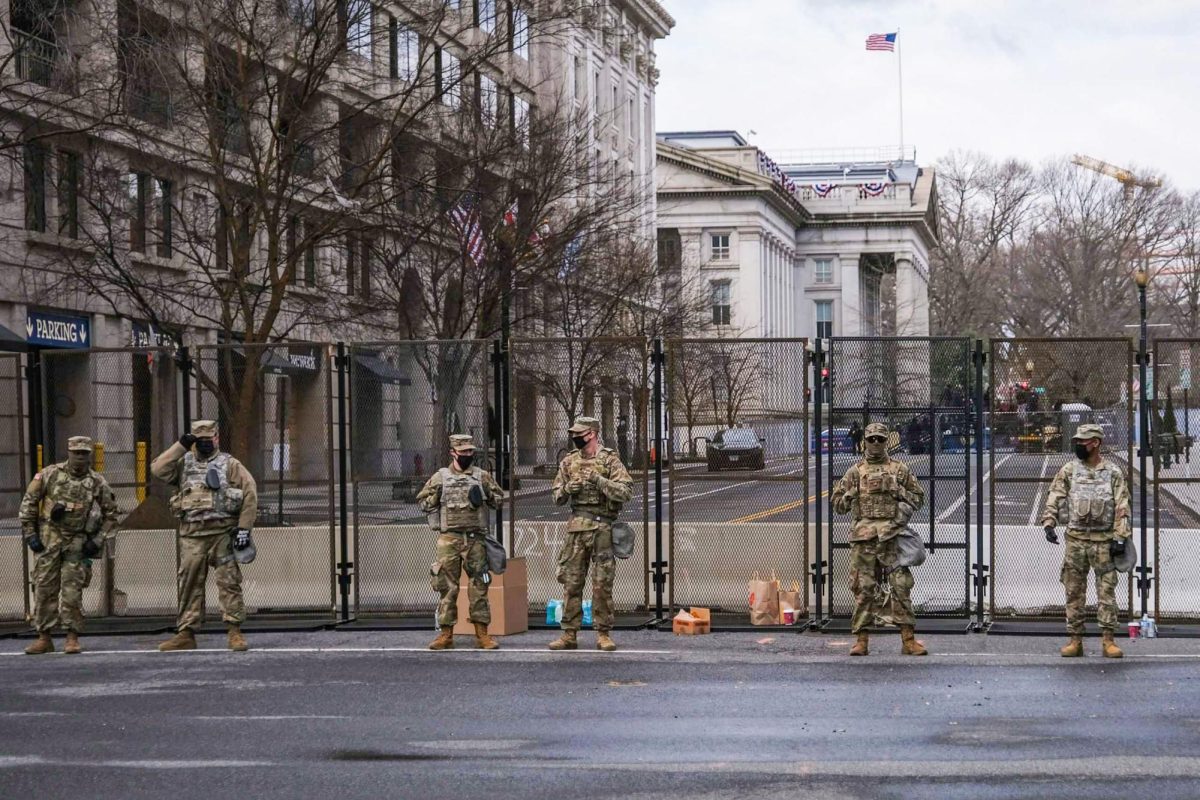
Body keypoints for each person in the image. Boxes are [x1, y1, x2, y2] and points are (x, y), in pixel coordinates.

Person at [152, 420, 258, 652]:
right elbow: (158, 469)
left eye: (209, 440)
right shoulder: (183, 463)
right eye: (200, 441)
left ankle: (234, 632)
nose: (205, 444)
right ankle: (186, 633)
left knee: (229, 582)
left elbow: (250, 494)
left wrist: (243, 529)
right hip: (192, 535)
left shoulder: (229, 464)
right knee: (189, 584)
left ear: (217, 438)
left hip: (222, 534)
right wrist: (180, 446)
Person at [831, 421, 927, 656]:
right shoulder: (854, 472)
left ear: (886, 442)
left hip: (891, 537)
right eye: (871, 439)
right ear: (865, 441)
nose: (875, 443)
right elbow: (837, 505)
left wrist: (896, 489)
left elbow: (919, 499)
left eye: (880, 439)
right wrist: (851, 495)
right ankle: (862, 640)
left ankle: (908, 640)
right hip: (863, 539)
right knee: (863, 588)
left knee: (901, 586)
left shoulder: (899, 470)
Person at [19, 436, 121, 655]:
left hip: (77, 542)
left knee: (72, 590)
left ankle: (72, 637)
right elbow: (28, 503)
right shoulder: (49, 474)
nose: (80, 458)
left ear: (89, 455)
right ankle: (44, 636)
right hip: (49, 539)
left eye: (84, 453)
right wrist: (30, 534)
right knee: (44, 586)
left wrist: (98, 539)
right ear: (69, 452)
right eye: (77, 453)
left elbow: (111, 513)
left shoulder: (96, 481)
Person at [1041, 423, 1131, 658]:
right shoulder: (1069, 470)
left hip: (1104, 542)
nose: (1078, 444)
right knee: (1073, 591)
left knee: (1107, 592)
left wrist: (1121, 537)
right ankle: (1075, 640)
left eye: (1083, 441)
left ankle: (1108, 641)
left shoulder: (1113, 472)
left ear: (1096, 443)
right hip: (1076, 541)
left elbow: (1122, 506)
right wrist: (1049, 522)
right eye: (1077, 441)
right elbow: (1055, 494)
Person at [548, 416, 633, 652]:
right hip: (577, 529)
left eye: (581, 433)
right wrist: (567, 489)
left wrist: (599, 480)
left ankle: (603, 633)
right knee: (571, 582)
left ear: (592, 433)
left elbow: (625, 492)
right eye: (575, 433)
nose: (576, 437)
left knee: (602, 584)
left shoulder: (609, 460)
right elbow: (556, 497)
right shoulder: (568, 462)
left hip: (602, 529)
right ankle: (569, 634)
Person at [416, 434, 506, 650]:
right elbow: (423, 503)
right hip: (450, 540)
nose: (467, 455)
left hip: (476, 540)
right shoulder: (441, 477)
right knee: (447, 588)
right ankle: (446, 635)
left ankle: (482, 634)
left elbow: (499, 500)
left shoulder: (481, 476)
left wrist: (484, 495)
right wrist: (435, 498)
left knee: (480, 586)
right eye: (463, 451)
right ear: (453, 452)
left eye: (470, 451)